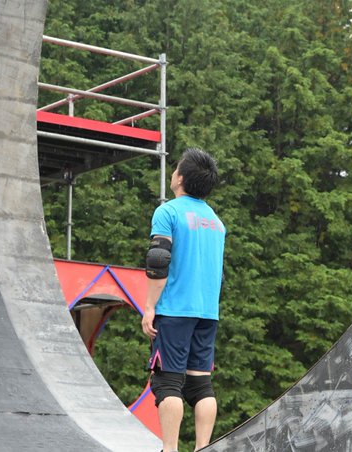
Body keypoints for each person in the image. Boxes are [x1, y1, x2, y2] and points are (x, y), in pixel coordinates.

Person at [141, 148, 226, 452]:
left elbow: (158, 261)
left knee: (168, 382)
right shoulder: (216, 222)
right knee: (201, 384)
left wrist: (149, 307)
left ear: (180, 179)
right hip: (207, 313)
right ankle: (203, 447)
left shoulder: (169, 212)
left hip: (174, 310)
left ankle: (170, 449)